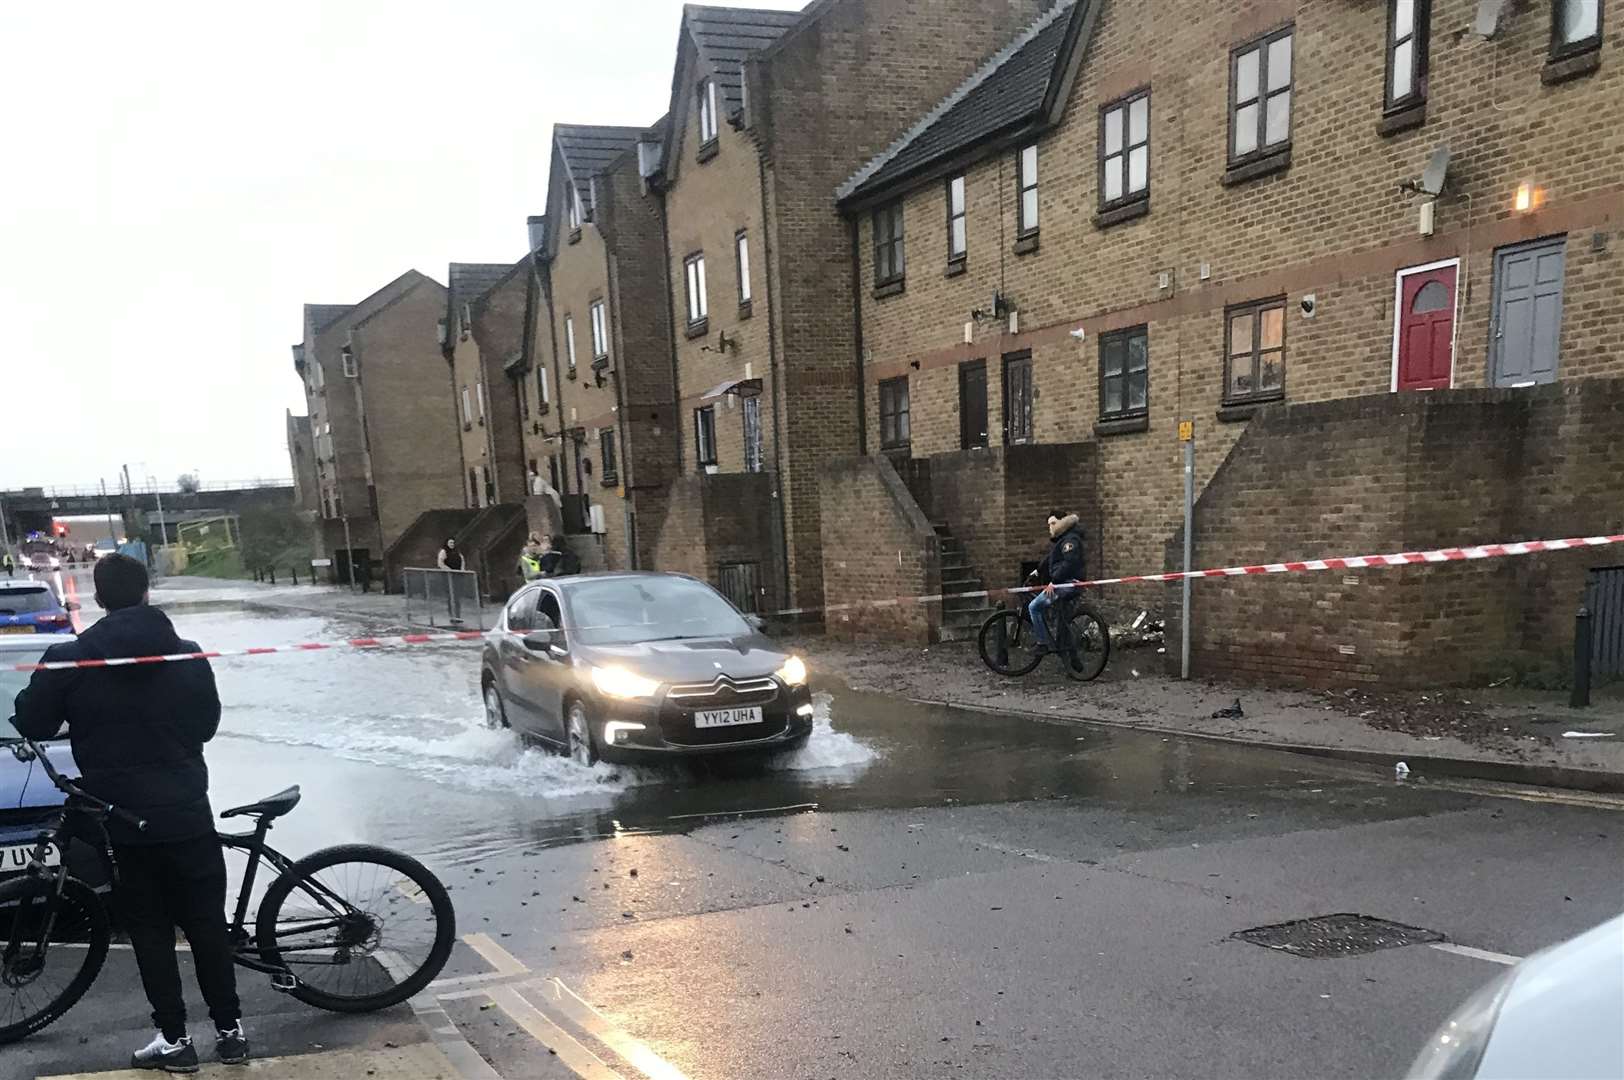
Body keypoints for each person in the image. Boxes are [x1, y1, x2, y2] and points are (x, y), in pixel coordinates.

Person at [10, 554, 248, 1071]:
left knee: (150, 931)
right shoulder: (186, 655)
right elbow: (206, 726)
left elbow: (34, 722)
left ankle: (176, 1043)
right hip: (188, 813)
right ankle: (231, 1034)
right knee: (206, 923)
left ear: (99, 599)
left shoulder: (71, 658)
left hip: (123, 822)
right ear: (146, 593)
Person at [1028, 511, 1086, 653]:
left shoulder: (1069, 540)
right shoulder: (1063, 539)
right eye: (1049, 524)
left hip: (1067, 584)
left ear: (1062, 522)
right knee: (1062, 623)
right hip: (1064, 583)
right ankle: (1072, 662)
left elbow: (1069, 563)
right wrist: (1038, 570)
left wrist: (1054, 581)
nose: (1051, 527)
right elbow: (1051, 558)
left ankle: (1042, 643)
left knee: (1034, 607)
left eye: (1053, 523)